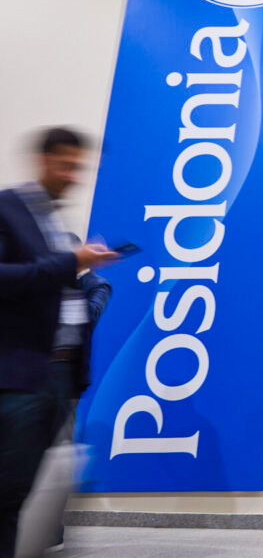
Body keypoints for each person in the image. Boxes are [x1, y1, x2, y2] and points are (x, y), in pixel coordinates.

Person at [0, 128, 117, 558]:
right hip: (18, 376)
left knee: (25, 492)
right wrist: (72, 261)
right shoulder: (9, 208)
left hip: (56, 378)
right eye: (66, 165)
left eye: (78, 168)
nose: (73, 176)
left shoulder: (52, 222)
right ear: (44, 160)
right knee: (8, 492)